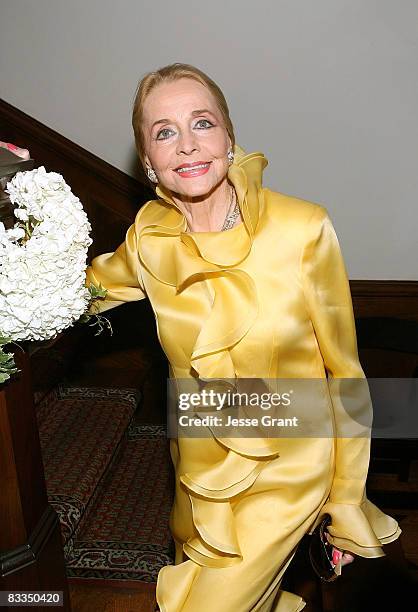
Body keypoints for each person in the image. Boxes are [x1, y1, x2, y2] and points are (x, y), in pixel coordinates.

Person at [85, 63, 401, 611]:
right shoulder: (148, 240)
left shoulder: (301, 229)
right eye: (164, 132)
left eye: (201, 123)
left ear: (230, 138)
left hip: (292, 464)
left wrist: (346, 499)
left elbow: (346, 374)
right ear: (149, 162)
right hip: (198, 473)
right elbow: (77, 292)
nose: (186, 145)